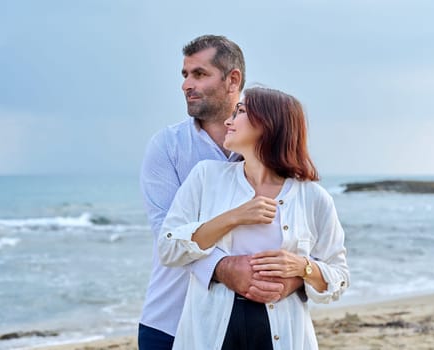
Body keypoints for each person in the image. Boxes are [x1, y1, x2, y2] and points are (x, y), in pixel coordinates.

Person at [139, 35, 303, 349]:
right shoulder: (167, 147)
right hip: (169, 320)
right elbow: (166, 235)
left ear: (233, 79)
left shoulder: (271, 156)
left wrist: (292, 279)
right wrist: (224, 268)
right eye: (185, 75)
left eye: (199, 74)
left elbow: (305, 245)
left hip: (251, 326)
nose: (187, 84)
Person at [158, 86, 350, 349]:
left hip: (281, 334)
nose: (228, 120)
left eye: (240, 111)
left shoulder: (314, 197)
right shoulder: (206, 177)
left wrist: (301, 267)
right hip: (212, 331)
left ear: (267, 123)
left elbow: (339, 276)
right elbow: (168, 249)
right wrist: (233, 217)